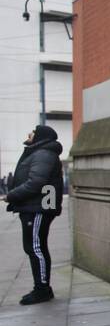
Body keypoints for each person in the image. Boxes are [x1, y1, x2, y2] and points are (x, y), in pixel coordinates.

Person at [3, 124, 64, 305]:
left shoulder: (44, 153)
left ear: (40, 137)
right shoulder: (39, 152)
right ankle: (42, 288)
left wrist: (11, 196)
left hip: (38, 207)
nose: (29, 133)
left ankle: (42, 290)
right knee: (35, 247)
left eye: (33, 132)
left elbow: (36, 182)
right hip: (35, 206)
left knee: (35, 248)